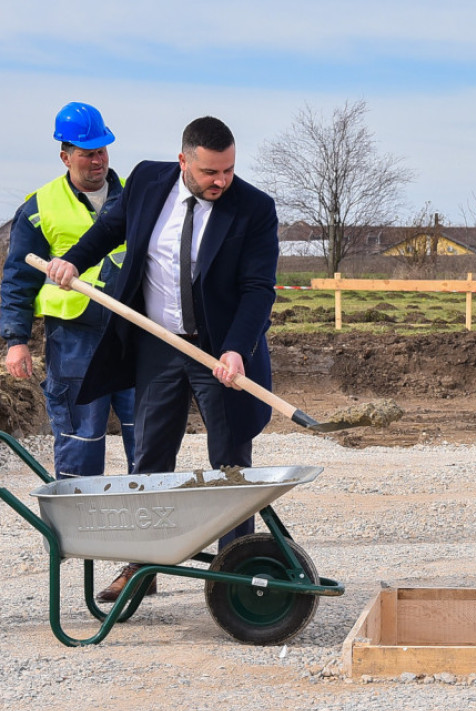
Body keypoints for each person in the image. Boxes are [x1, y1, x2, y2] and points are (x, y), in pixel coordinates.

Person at [47, 116, 280, 603]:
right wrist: (72, 260)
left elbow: (258, 289)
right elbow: (111, 228)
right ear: (183, 162)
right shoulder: (149, 181)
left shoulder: (254, 208)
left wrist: (237, 349)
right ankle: (142, 567)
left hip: (220, 349)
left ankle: (230, 576)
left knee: (230, 461)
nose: (221, 181)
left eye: (229, 170)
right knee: (149, 456)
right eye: (210, 172)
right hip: (158, 343)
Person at [1, 102, 136, 480]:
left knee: (148, 440)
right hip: (75, 340)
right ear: (65, 156)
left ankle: (148, 533)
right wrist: (16, 340)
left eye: (102, 151)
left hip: (132, 335)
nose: (98, 161)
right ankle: (78, 535)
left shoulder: (135, 200)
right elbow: (18, 278)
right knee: (81, 439)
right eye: (87, 153)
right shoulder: (39, 208)